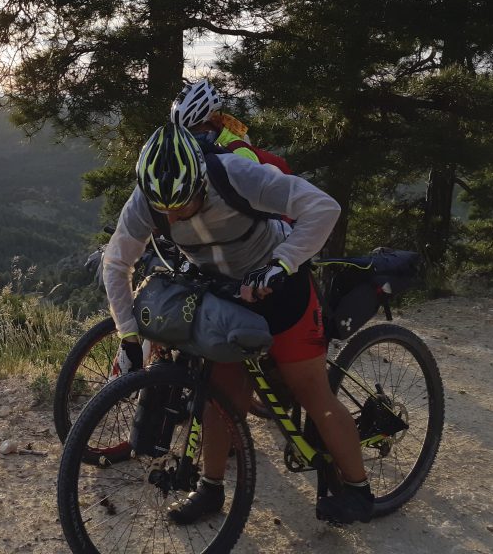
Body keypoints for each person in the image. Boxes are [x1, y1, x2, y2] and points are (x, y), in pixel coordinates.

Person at [101, 123, 374, 525]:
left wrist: (281, 264)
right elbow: (116, 263)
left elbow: (323, 207)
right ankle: (209, 489)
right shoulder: (147, 199)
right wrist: (127, 334)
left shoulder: (235, 175)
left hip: (282, 290)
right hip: (225, 298)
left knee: (311, 392)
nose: (172, 216)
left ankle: (358, 490)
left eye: (182, 205)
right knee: (221, 399)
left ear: (201, 181)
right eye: (164, 209)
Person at [170, 78, 291, 173]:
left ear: (213, 121)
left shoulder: (239, 153)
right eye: (185, 131)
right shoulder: (212, 147)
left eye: (195, 129)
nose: (190, 136)